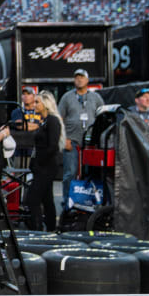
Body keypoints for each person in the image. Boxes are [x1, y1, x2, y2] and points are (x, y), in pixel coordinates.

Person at [58, 69, 104, 213]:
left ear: (87, 80)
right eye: (77, 77)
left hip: (91, 143)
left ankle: (91, 202)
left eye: (82, 77)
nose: (79, 80)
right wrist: (63, 139)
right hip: (72, 141)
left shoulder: (96, 97)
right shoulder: (67, 97)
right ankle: (67, 203)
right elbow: (59, 119)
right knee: (70, 173)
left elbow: (103, 117)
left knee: (92, 174)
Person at [24, 90, 64, 232]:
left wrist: (39, 162)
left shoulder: (53, 121)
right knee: (47, 199)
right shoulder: (45, 121)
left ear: (46, 104)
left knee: (33, 198)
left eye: (37, 102)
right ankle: (51, 229)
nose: (34, 104)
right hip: (41, 165)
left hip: (47, 166)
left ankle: (38, 228)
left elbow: (53, 146)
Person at [8, 86, 41, 167]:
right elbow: (20, 125)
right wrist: (37, 125)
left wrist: (27, 125)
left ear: (34, 96)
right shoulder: (17, 111)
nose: (25, 96)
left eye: (28, 94)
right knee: (19, 171)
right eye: (23, 94)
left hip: (37, 149)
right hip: (20, 150)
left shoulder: (39, 111)